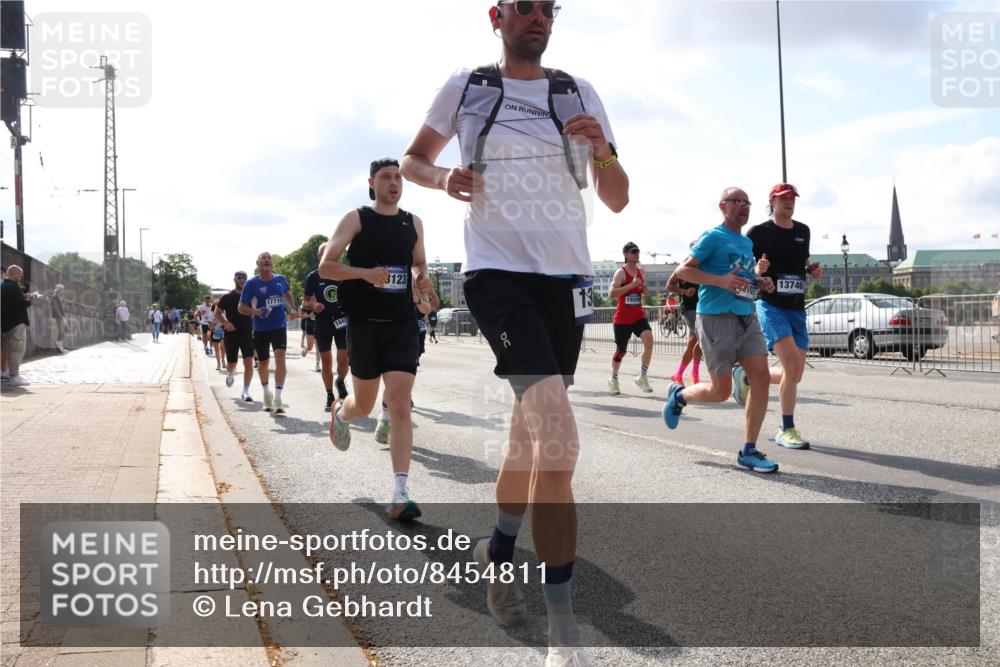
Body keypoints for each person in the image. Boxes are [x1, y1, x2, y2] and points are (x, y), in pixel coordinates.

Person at [400, 2, 629, 661]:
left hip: (566, 284)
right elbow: (415, 159)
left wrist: (604, 150)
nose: (538, 17)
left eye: (547, 7)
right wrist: (445, 177)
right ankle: (564, 632)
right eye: (523, 6)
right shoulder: (468, 87)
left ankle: (498, 550)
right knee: (559, 440)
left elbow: (616, 197)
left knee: (528, 442)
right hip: (497, 276)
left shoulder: (578, 92)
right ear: (497, 16)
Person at [320, 157, 439, 521]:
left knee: (400, 403)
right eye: (386, 177)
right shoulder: (357, 218)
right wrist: (366, 274)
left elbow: (419, 261)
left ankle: (400, 491)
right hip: (365, 323)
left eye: (398, 177)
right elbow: (326, 266)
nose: (393, 183)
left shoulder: (412, 222)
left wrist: (421, 277)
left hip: (402, 322)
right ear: (371, 183)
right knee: (366, 406)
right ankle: (342, 412)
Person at [662, 187, 779, 475]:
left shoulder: (745, 243)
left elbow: (743, 279)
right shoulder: (712, 237)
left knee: (761, 377)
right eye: (738, 201)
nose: (744, 206)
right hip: (716, 317)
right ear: (722, 206)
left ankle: (749, 450)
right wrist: (719, 280)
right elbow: (683, 271)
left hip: (745, 316)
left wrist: (760, 282)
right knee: (720, 391)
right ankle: (679, 397)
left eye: (747, 202)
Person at [745, 183, 823, 449]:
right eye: (783, 199)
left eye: (792, 199)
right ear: (772, 202)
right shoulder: (759, 232)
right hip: (771, 306)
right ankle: (786, 429)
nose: (789, 202)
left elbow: (799, 261)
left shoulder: (803, 231)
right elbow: (746, 267)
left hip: (797, 309)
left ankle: (748, 376)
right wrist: (758, 268)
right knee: (791, 366)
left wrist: (810, 269)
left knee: (796, 373)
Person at [239, 253, 299, 414]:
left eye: (269, 258)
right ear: (258, 263)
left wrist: (293, 308)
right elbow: (241, 307)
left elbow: (286, 294)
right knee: (263, 363)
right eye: (263, 258)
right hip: (260, 328)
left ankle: (278, 398)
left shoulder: (280, 279)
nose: (267, 260)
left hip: (279, 325)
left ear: (271, 263)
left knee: (280, 357)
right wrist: (255, 311)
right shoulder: (252, 283)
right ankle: (266, 394)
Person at [304, 243, 351, 413]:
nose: (328, 254)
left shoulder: (344, 273)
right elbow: (305, 302)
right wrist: (314, 305)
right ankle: (330, 394)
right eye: (323, 252)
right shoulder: (313, 277)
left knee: (344, 358)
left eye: (331, 251)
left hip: (342, 321)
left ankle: (340, 381)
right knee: (326, 361)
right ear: (318, 256)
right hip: (323, 323)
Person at [608, 242, 654, 395]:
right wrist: (632, 284)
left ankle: (642, 376)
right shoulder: (620, 273)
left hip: (638, 316)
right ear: (626, 255)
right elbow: (612, 294)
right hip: (622, 319)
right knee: (621, 351)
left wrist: (644, 290)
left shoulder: (641, 272)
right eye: (633, 251)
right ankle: (613, 379)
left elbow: (641, 289)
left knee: (649, 340)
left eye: (638, 251)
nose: (636, 254)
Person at [216, 272, 256, 400]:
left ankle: (245, 391)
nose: (242, 280)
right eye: (240, 278)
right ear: (234, 279)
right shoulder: (227, 297)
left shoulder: (251, 297)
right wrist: (226, 323)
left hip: (247, 334)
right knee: (232, 363)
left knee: (248, 362)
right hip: (231, 334)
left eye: (244, 278)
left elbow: (256, 312)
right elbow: (218, 313)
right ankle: (230, 373)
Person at [667, 243, 703, 385]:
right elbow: (669, 285)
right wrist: (684, 292)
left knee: (692, 344)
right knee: (703, 338)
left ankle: (679, 373)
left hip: (703, 309)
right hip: (689, 309)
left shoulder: (704, 266)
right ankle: (694, 374)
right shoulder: (684, 267)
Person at [1, 265, 36, 386]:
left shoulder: (3, 285)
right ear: (14, 273)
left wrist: (23, 297)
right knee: (17, 349)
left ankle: (10, 374)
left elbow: (12, 302)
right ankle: (14, 377)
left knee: (11, 349)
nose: (20, 277)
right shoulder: (14, 286)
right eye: (19, 274)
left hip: (7, 323)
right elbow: (22, 304)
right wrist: (30, 299)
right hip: (16, 323)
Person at [50, 284, 70, 354]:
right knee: (63, 330)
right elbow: (55, 308)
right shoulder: (54, 297)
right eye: (62, 289)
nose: (63, 291)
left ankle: (59, 343)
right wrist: (61, 317)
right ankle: (59, 345)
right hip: (58, 317)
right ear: (59, 290)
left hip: (61, 316)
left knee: (66, 330)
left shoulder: (58, 297)